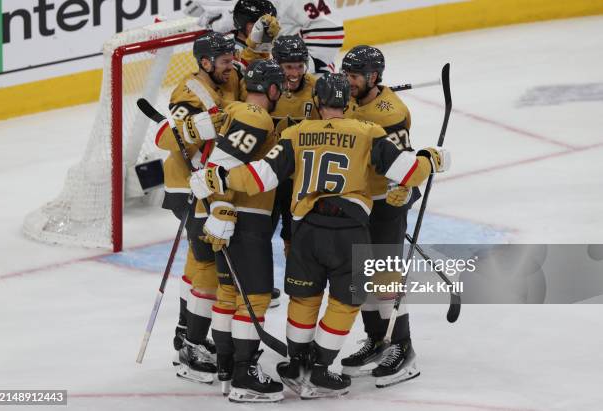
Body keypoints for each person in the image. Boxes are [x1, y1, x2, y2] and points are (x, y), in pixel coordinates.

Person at [189, 73, 451, 398]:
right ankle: (321, 367)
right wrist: (431, 159)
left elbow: (262, 176)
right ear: (347, 103)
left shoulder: (297, 132)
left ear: (316, 104)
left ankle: (296, 364)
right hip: (349, 232)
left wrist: (221, 178)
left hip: (306, 231)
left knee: (303, 299)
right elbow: (408, 172)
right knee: (347, 300)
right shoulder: (367, 132)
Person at [190, 59, 286, 403]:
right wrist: (223, 208)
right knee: (255, 297)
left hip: (227, 217)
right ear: (272, 90)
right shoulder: (255, 116)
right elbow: (221, 166)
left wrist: (218, 208)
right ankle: (246, 374)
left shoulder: (234, 110)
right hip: (243, 218)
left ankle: (228, 370)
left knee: (229, 296)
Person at [154, 31, 242, 384]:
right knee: (205, 263)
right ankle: (191, 344)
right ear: (205, 63)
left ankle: (185, 328)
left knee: (198, 261)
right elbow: (166, 139)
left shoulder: (230, 74)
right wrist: (203, 125)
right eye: (224, 61)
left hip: (212, 182)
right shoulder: (187, 93)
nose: (231, 66)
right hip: (186, 185)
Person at [340, 45, 422, 387]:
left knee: (384, 275)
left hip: (387, 199)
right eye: (346, 75)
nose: (348, 81)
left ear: (373, 77)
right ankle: (376, 338)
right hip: (360, 199)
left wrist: (401, 187)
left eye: (354, 76)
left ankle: (402, 347)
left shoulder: (391, 112)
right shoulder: (349, 99)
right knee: (363, 272)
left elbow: (402, 164)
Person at [185, 0, 344, 74]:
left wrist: (303, 66)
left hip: (310, 78)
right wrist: (238, 15)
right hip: (271, 73)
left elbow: (331, 29)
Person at [270, 34, 319, 256]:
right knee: (261, 230)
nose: (295, 73)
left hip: (301, 176)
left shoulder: (317, 88)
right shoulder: (264, 84)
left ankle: (298, 279)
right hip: (269, 171)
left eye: (299, 66)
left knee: (296, 233)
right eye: (289, 66)